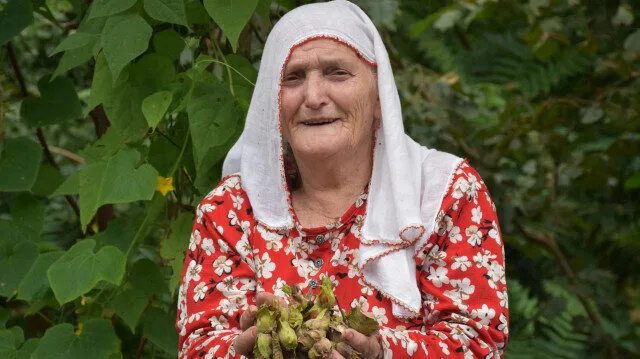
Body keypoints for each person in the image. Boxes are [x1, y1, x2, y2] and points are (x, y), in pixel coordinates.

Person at [175, 1, 508, 358]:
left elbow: (477, 343)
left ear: (380, 96)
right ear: (272, 102)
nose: (314, 97)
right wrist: (240, 351)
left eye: (337, 73)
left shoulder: (444, 194)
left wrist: (381, 353)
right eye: (293, 77)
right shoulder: (231, 210)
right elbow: (199, 345)